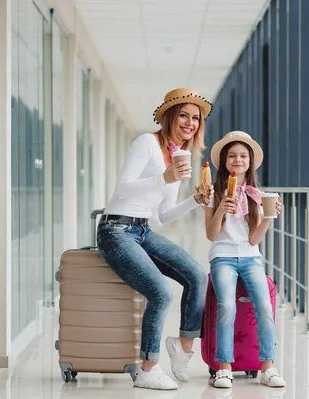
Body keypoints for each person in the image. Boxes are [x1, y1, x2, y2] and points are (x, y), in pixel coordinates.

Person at [97, 88, 214, 390]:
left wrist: (195, 201)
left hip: (143, 231)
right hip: (116, 231)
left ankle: (183, 347)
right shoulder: (147, 143)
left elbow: (163, 215)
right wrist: (166, 176)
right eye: (184, 115)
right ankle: (148, 368)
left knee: (197, 275)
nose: (190, 122)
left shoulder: (178, 156)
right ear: (170, 117)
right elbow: (123, 188)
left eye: (195, 118)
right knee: (161, 293)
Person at [204, 131, 286, 389]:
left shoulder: (256, 195)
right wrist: (220, 208)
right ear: (224, 161)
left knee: (265, 306)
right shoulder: (211, 192)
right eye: (232, 156)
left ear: (249, 162)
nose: (237, 160)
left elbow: (253, 240)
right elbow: (211, 234)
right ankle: (224, 368)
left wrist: (270, 217)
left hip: (250, 258)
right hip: (223, 257)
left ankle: (268, 367)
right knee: (226, 306)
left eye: (242, 156)